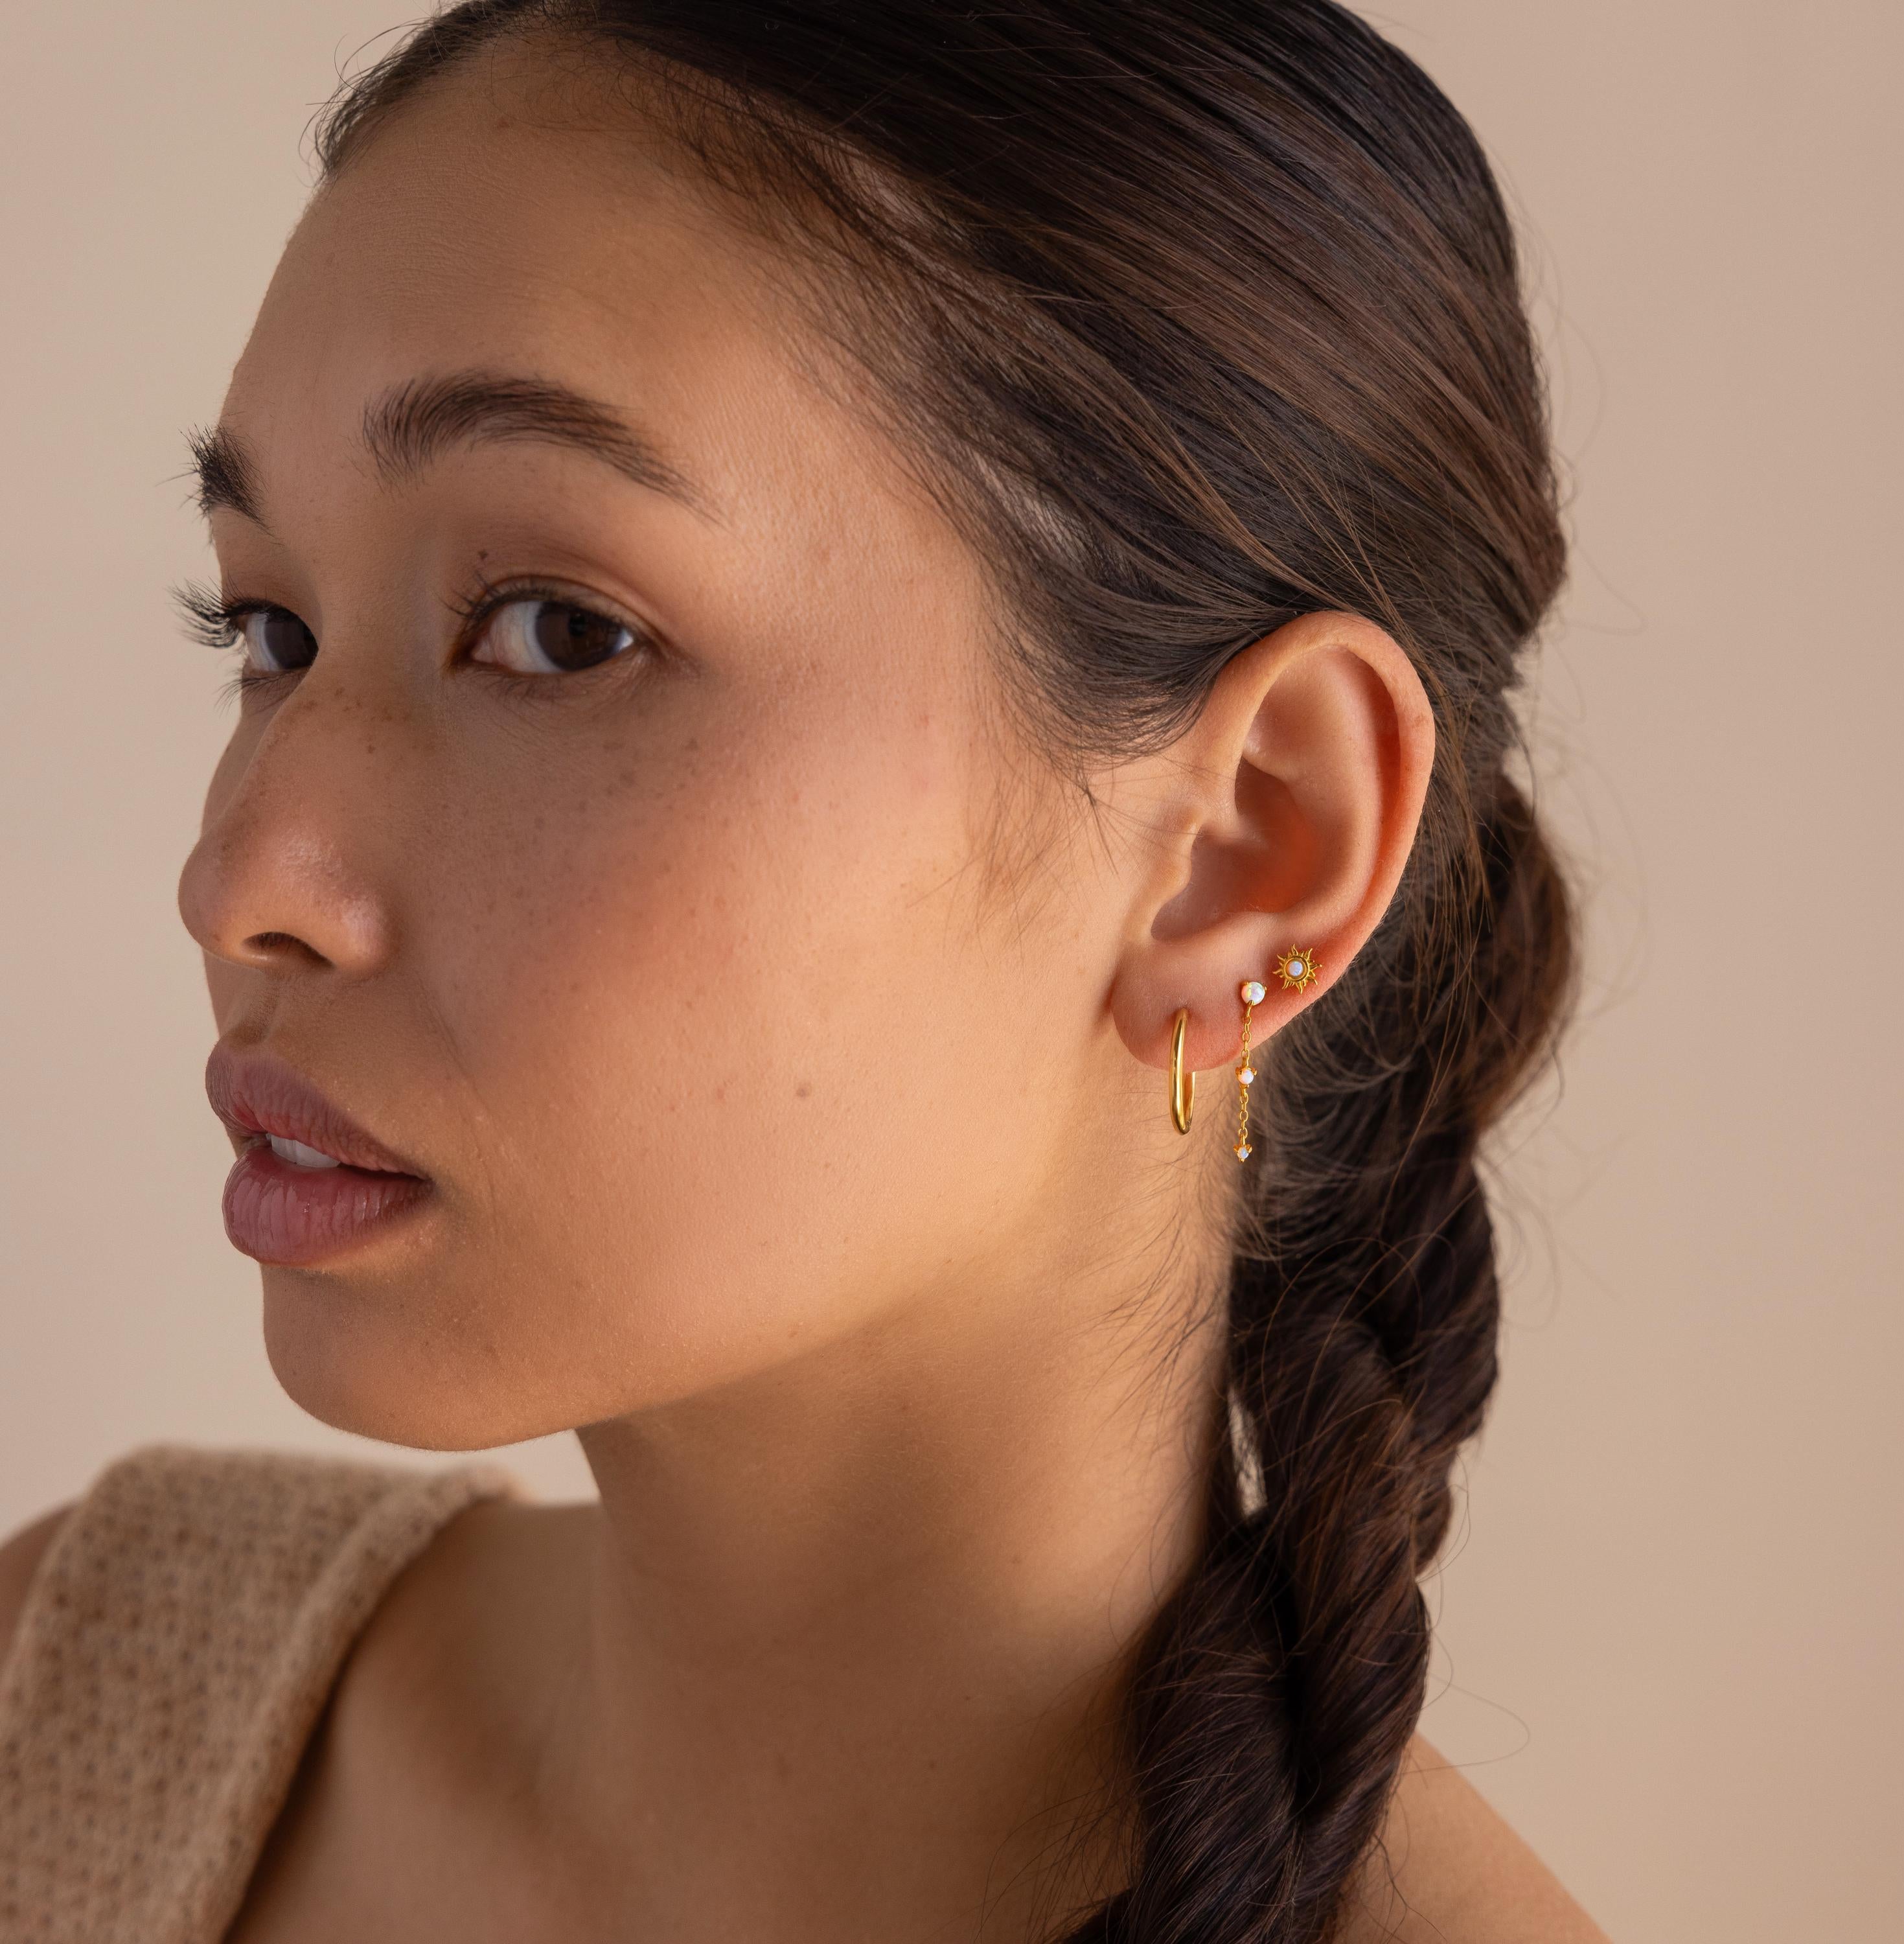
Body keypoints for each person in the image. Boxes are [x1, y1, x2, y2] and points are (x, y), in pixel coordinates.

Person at [0, 3, 1609, 1938]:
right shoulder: (76, 1700)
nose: (244, 875)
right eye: (269, 626)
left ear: (1253, 849)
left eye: (558, 630)